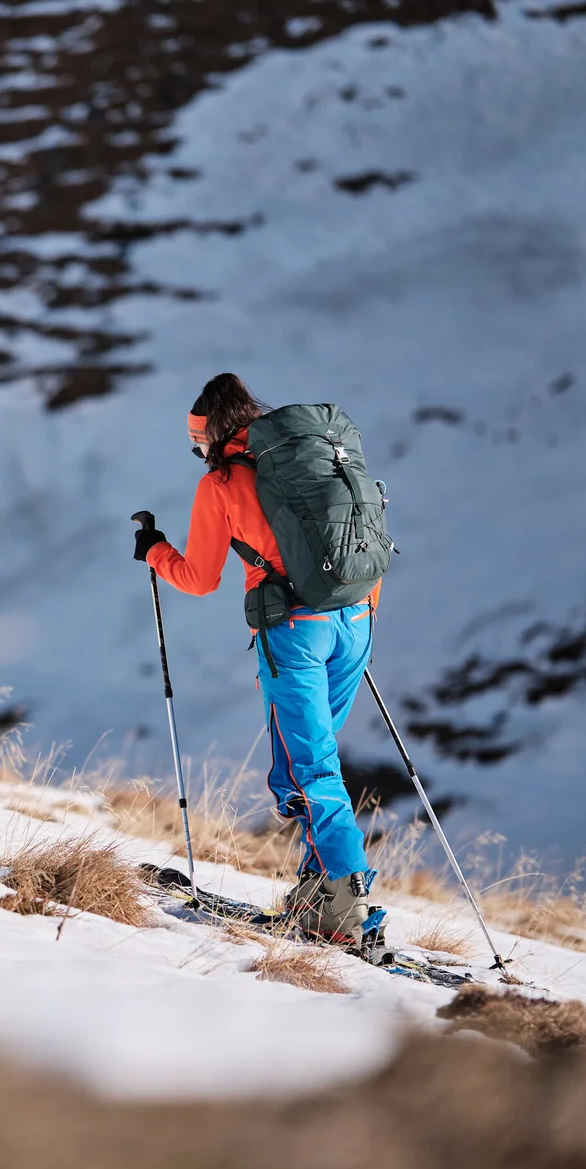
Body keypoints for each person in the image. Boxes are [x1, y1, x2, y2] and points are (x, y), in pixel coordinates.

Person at [131, 373, 380, 945]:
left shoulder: (222, 482)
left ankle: (344, 903)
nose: (196, 454)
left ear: (210, 437)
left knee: (306, 768)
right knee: (315, 757)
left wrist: (155, 553)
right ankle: (321, 892)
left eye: (196, 445)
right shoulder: (314, 454)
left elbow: (198, 579)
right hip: (357, 617)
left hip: (296, 631)